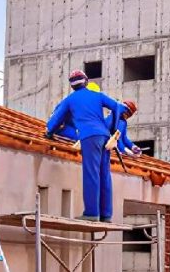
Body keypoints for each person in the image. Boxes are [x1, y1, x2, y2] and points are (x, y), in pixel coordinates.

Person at [46, 70, 127, 222]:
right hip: (105, 136)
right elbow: (117, 106)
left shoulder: (70, 100)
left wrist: (49, 132)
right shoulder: (97, 96)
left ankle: (91, 213)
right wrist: (113, 129)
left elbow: (56, 119)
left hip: (89, 137)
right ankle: (106, 215)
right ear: (86, 81)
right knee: (104, 174)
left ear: (72, 85)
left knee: (91, 174)